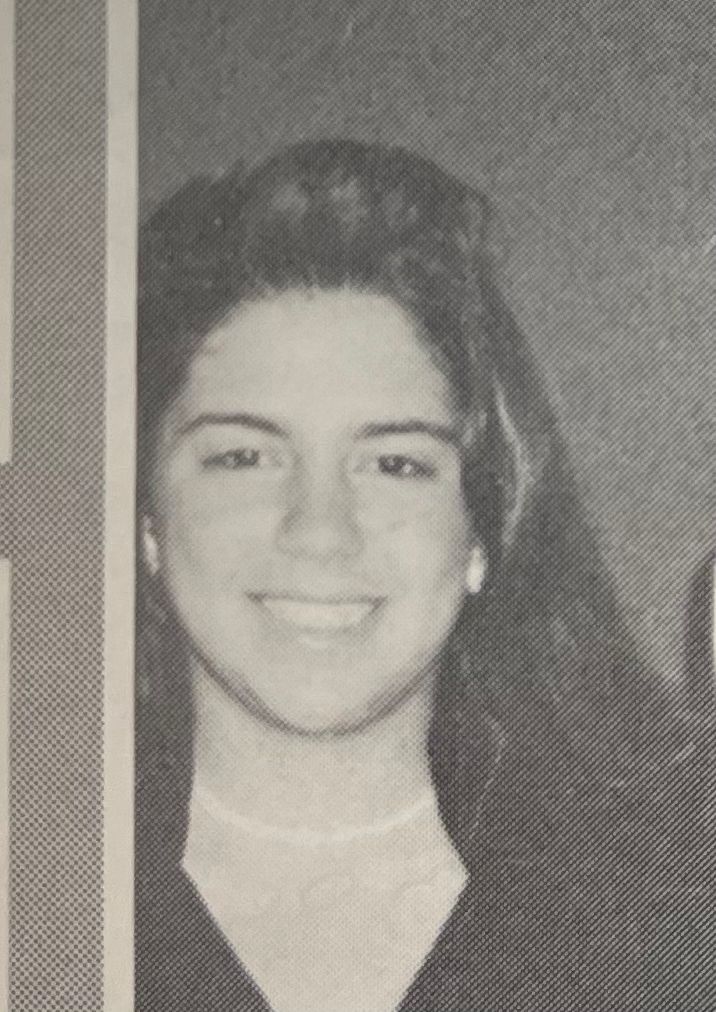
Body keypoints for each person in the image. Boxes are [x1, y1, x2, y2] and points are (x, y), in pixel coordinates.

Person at [134, 139, 708, 1011]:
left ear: (482, 529)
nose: (319, 532)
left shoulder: (667, 917)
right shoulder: (34, 889)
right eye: (244, 456)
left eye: (394, 463)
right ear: (147, 520)